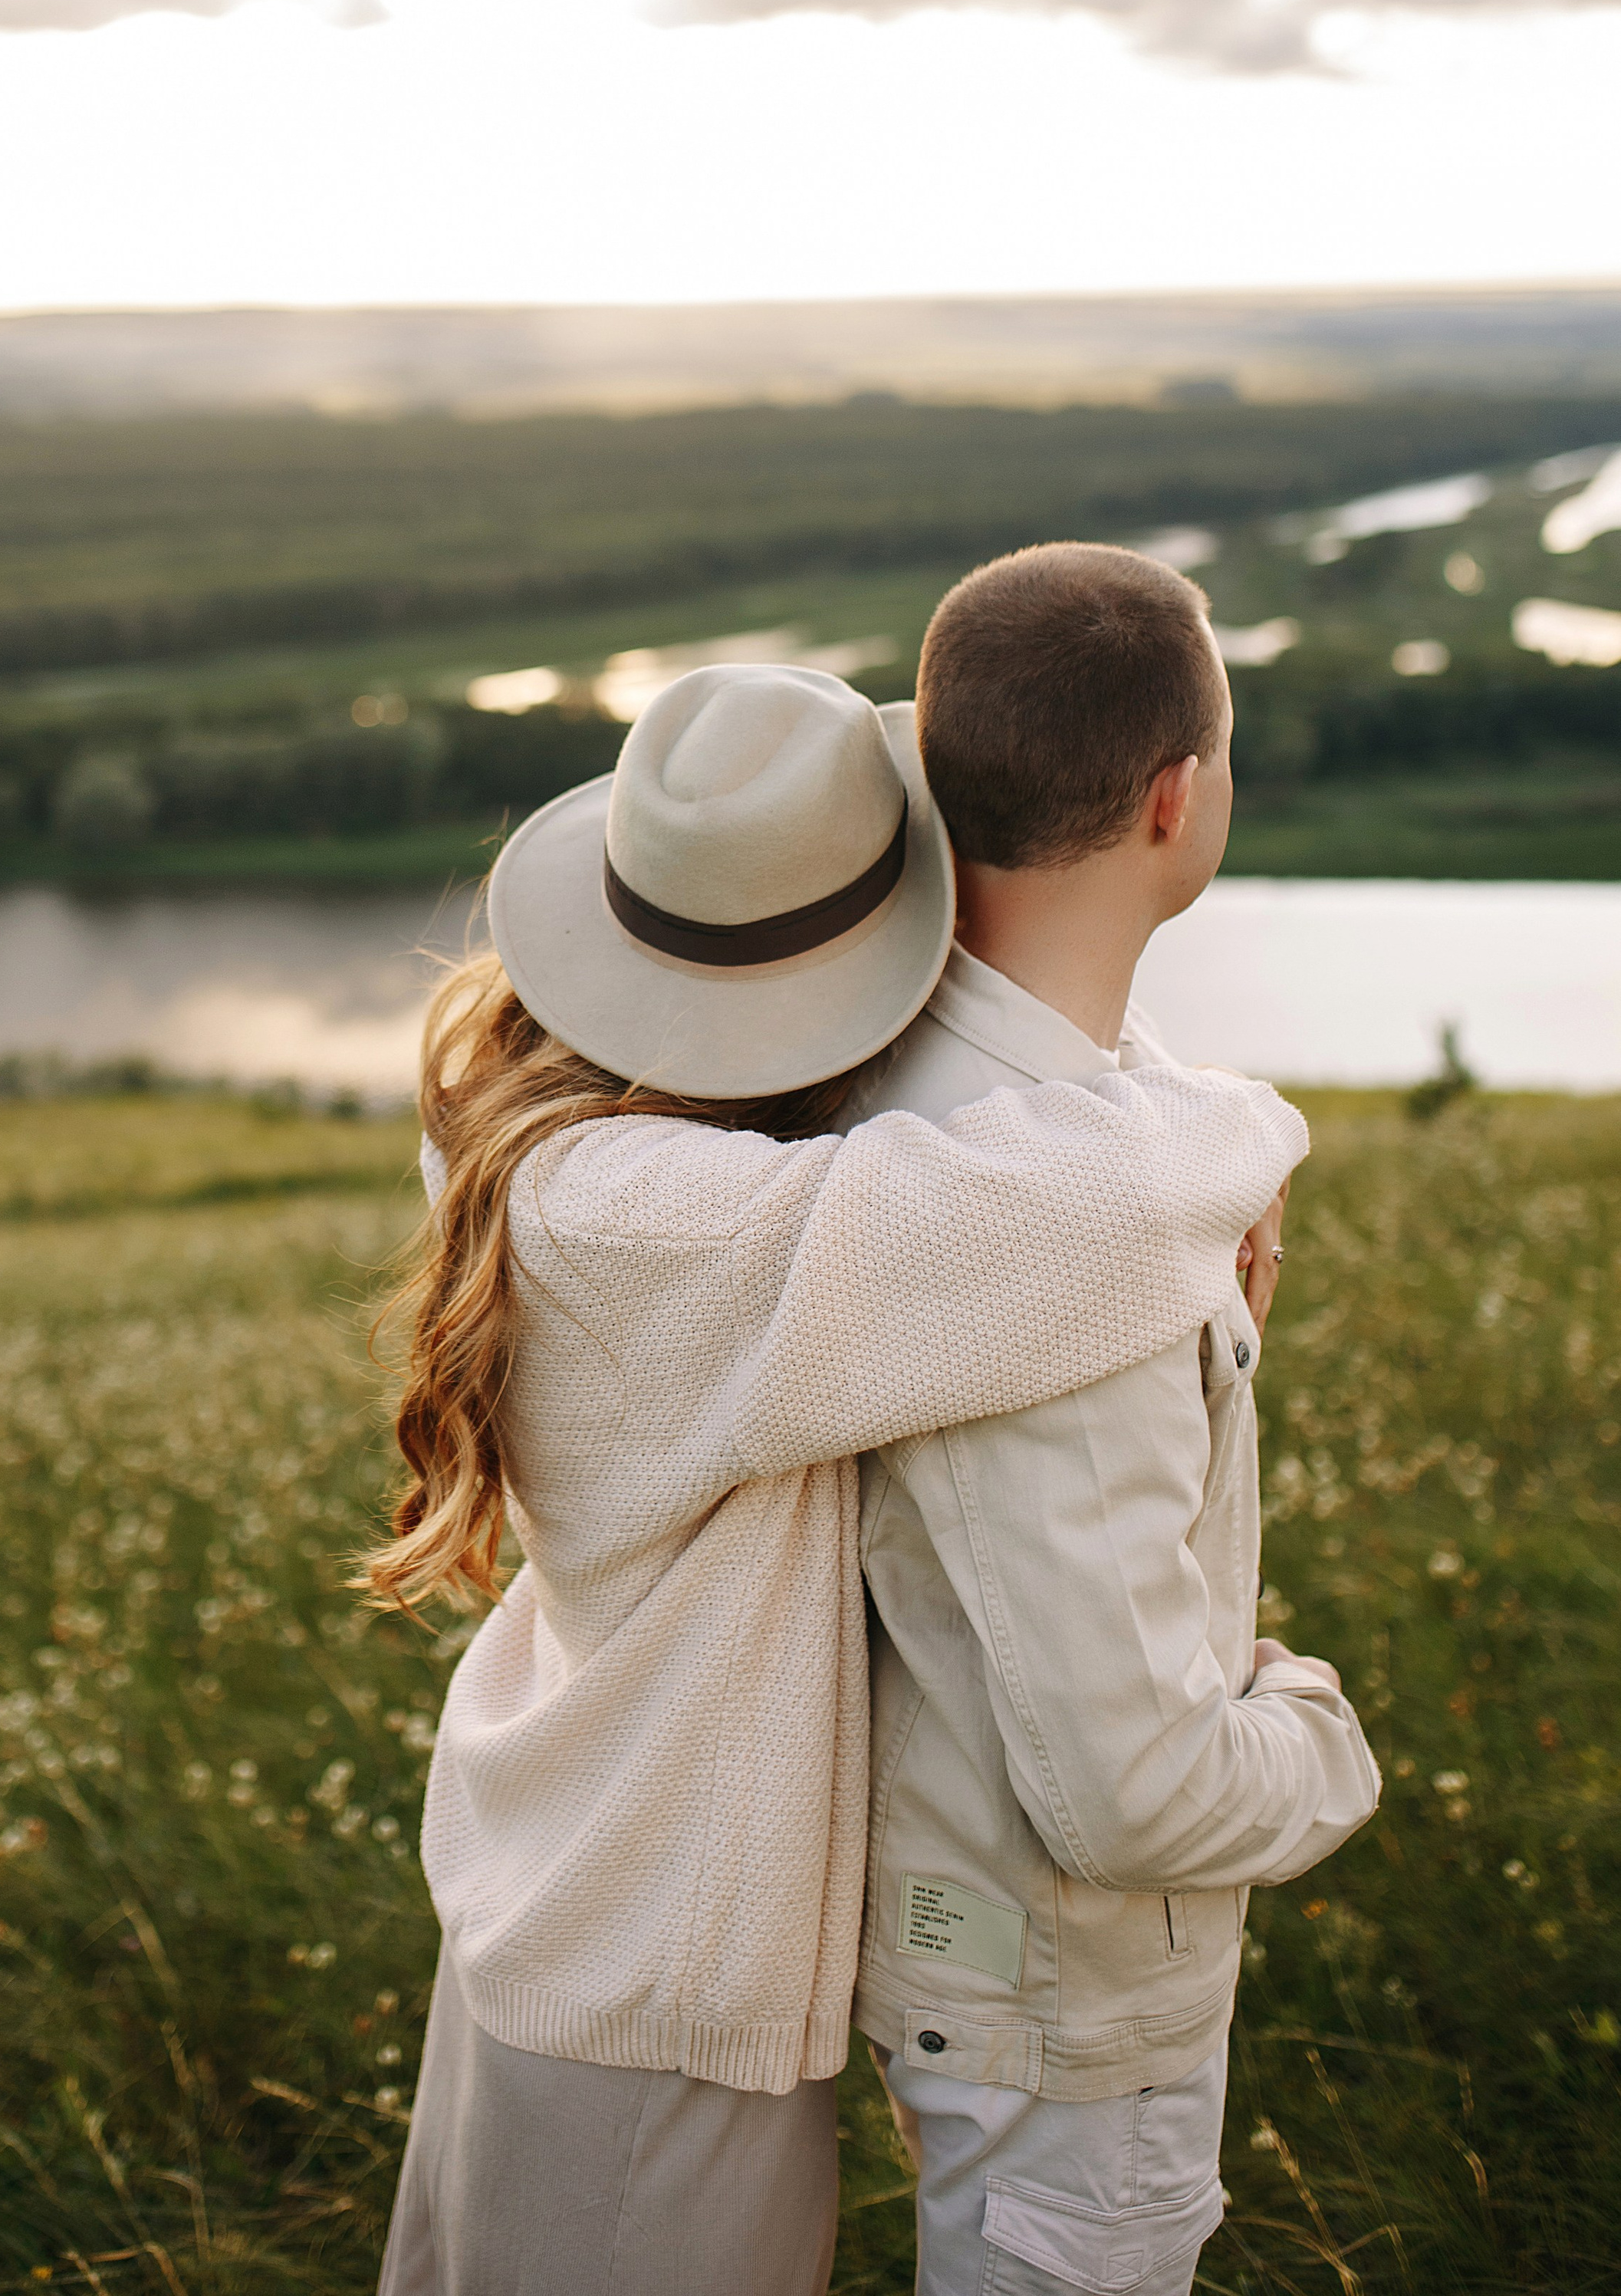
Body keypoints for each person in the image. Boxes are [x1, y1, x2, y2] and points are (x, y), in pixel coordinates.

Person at [365, 656, 1306, 2296]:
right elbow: (1067, 1196)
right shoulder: (645, 1225)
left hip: (587, 1900)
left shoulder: (563, 1121)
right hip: (649, 1989)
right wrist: (1244, 1139)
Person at [841, 544, 1382, 2296]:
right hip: (1058, 2017)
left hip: (992, 1955)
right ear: (1174, 795)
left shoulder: (956, 1080)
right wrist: (1314, 1722)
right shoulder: (1051, 1227)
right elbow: (1136, 1794)